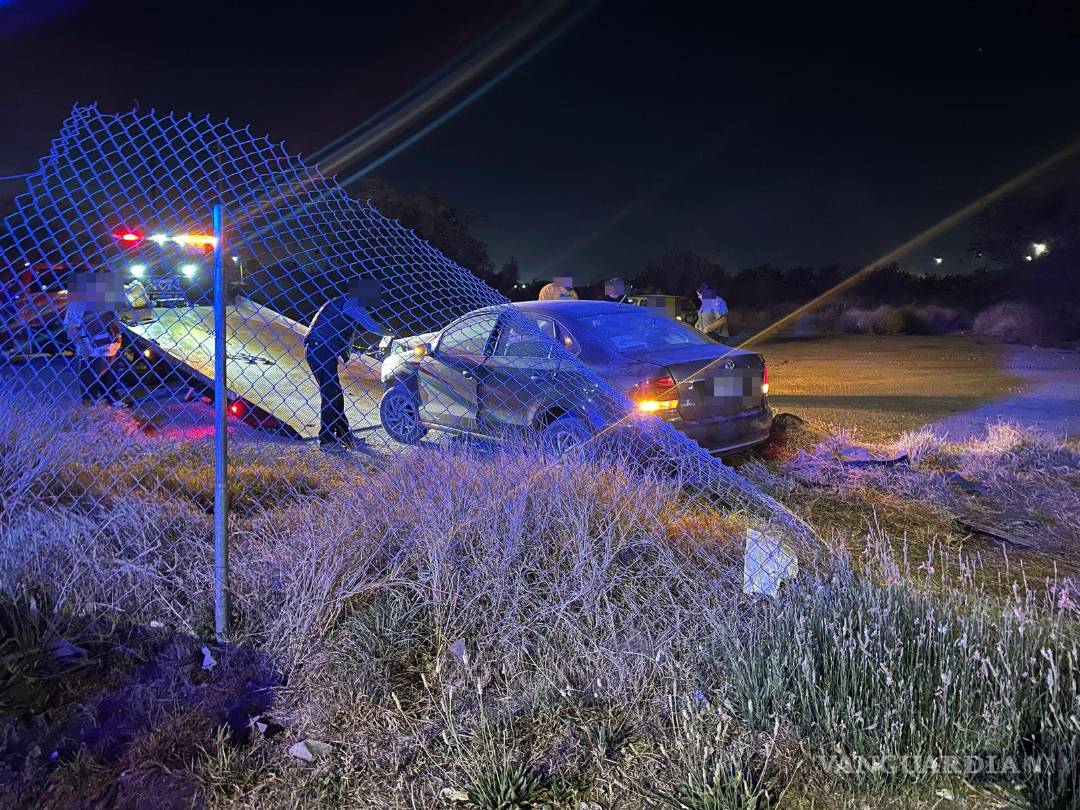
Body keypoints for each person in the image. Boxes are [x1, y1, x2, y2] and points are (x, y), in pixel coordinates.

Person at [304, 276, 386, 450]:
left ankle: (344, 435)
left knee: (335, 393)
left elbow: (343, 333)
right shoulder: (351, 304)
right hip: (320, 349)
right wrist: (392, 334)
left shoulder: (343, 302)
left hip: (320, 349)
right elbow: (372, 326)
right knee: (331, 394)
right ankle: (326, 440)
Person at [65, 269, 124, 405]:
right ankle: (89, 400)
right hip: (90, 345)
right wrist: (81, 344)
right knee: (90, 374)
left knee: (110, 373)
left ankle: (111, 397)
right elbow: (71, 325)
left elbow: (114, 319)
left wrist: (118, 337)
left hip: (110, 343)